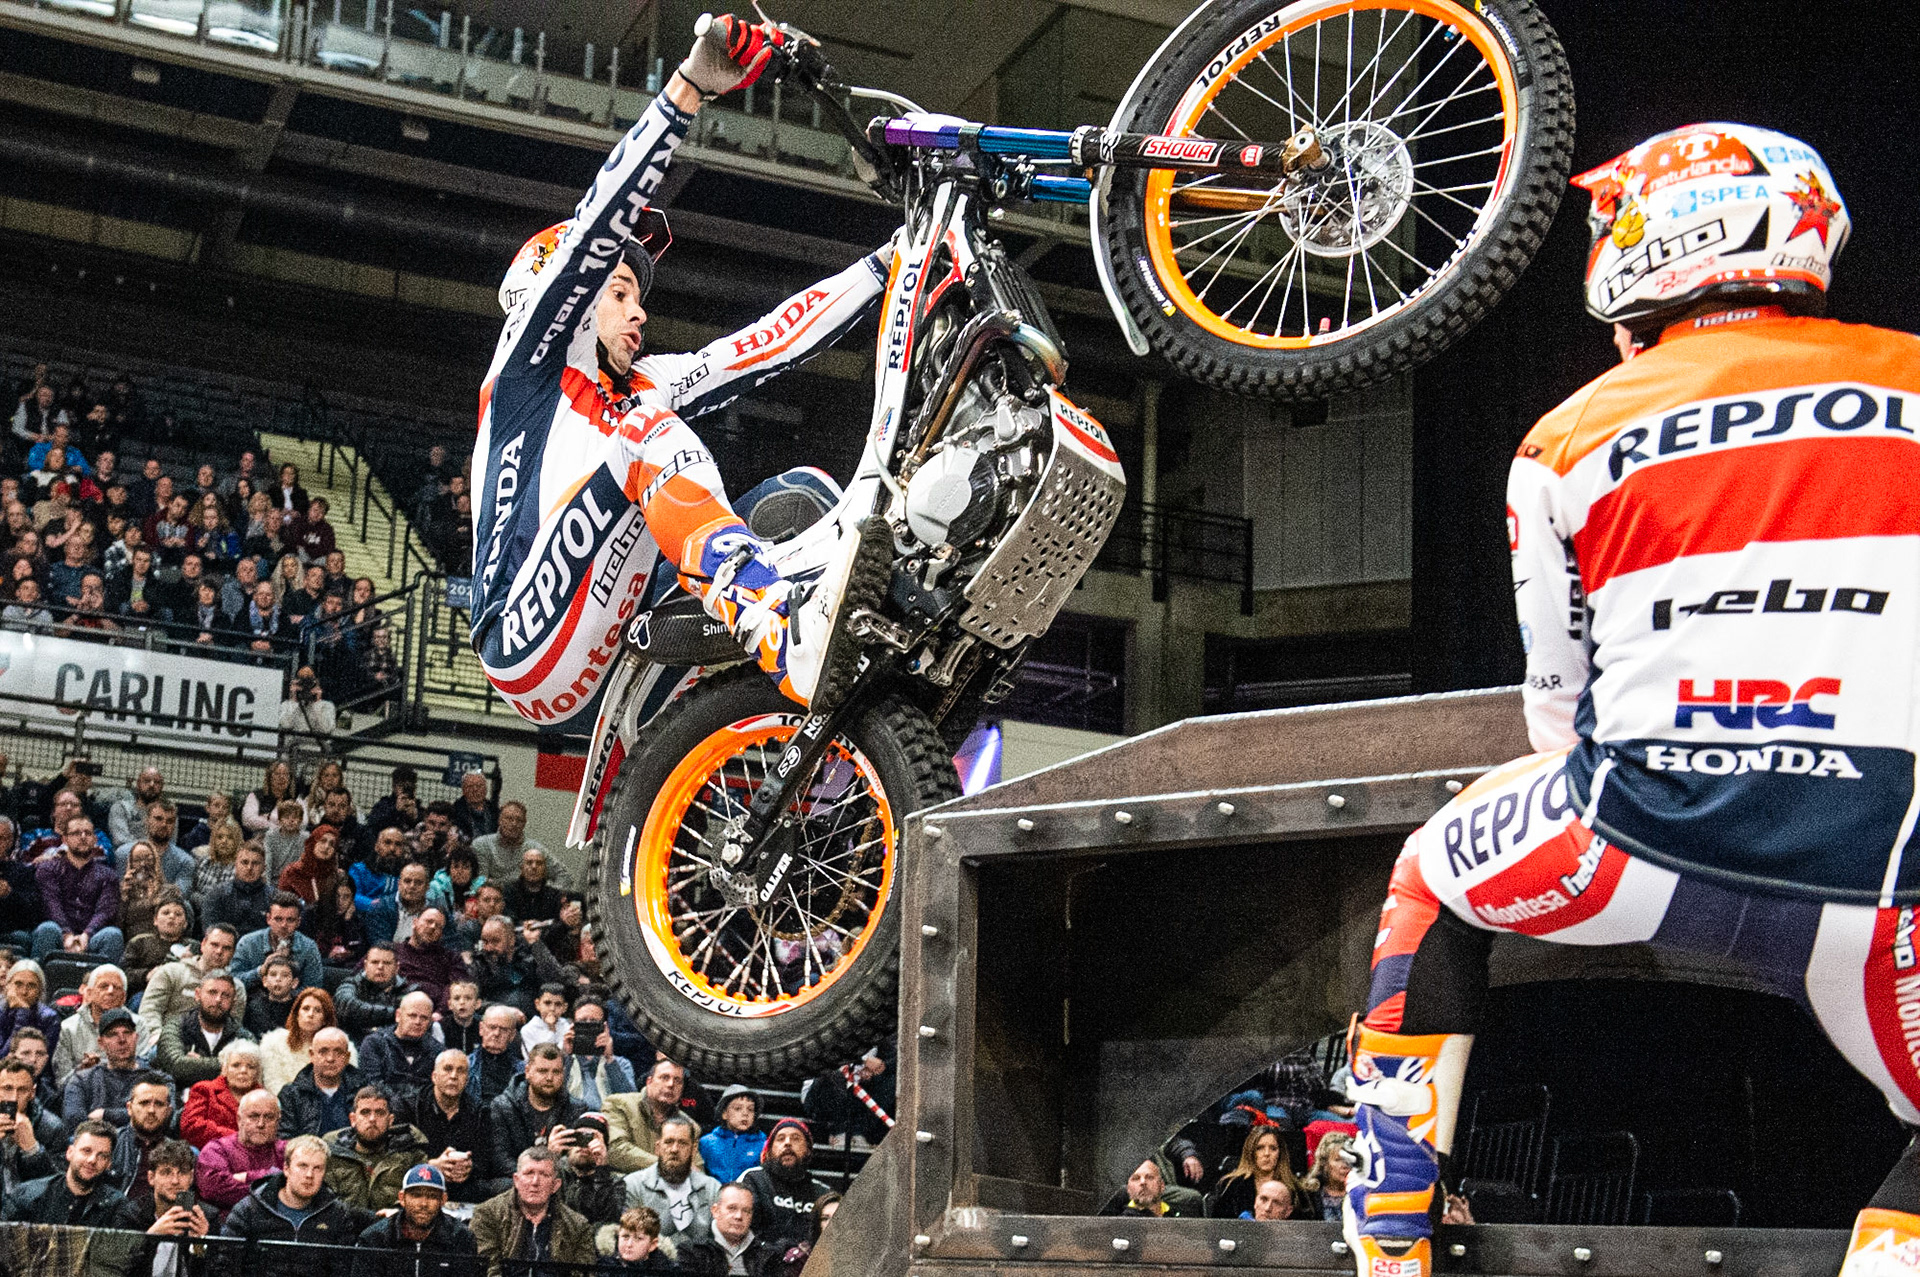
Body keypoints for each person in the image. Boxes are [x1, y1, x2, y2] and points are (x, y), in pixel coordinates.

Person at [1342, 123, 1920, 1277]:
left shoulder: (1566, 434)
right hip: (1884, 867)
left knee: (1430, 873)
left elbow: (1555, 708)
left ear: (1664, 236)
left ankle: (1387, 1238)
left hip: (1636, 837)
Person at [471, 14, 891, 723]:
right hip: (521, 638)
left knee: (805, 502)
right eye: (621, 292)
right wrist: (688, 90)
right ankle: (777, 628)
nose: (639, 313)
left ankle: (817, 746)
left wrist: (894, 260)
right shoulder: (527, 367)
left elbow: (768, 343)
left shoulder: (642, 384)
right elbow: (597, 226)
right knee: (646, 434)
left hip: (616, 641)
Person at [221, 1132, 373, 1255]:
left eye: (317, 1168)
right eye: (302, 1166)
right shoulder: (249, 1210)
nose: (309, 1175)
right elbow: (226, 1263)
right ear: (286, 1169)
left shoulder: (337, 1215)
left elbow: (342, 1268)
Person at [471, 1145, 597, 1275]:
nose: (535, 1182)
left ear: (555, 1185)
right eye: (529, 1173)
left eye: (544, 1175)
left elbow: (583, 1273)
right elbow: (487, 1270)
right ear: (516, 1180)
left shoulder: (578, 1226)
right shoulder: (487, 1214)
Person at [482, 1043, 584, 1194]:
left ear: (563, 1074)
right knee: (503, 1185)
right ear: (528, 1071)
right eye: (543, 1071)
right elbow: (500, 1161)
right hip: (516, 1181)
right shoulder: (502, 1106)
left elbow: (575, 1163)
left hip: (557, 1182)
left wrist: (552, 1165)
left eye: (556, 1072)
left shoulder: (576, 1109)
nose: (550, 1078)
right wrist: (547, 1158)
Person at [350, 1162, 481, 1276]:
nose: (423, 1204)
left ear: (443, 1200)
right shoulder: (375, 1238)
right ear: (401, 1198)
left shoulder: (461, 1238)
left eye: (432, 1196)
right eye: (416, 1195)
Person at [136, 923, 247, 1056]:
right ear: (203, 944)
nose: (219, 952)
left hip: (212, 1047)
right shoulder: (172, 972)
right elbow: (150, 1008)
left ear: (233, 953)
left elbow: (233, 1025)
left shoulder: (236, 987)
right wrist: (157, 1035)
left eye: (226, 948)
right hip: (170, 1040)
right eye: (214, 945)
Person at [0, 1119, 131, 1226]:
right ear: (70, 1153)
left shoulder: (117, 1207)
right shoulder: (28, 1196)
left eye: (102, 1156)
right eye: (86, 1151)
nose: (92, 1160)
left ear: (109, 1164)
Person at [31, 814, 124, 961]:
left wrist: (87, 934)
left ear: (95, 839)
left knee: (113, 935)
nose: (83, 837)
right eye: (76, 833)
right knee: (47, 929)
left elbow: (105, 911)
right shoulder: (48, 869)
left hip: (91, 937)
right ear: (65, 839)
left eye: (88, 833)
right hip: (58, 934)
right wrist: (67, 934)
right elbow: (51, 904)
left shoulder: (108, 875)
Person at [324, 1084, 430, 1211]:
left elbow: (419, 1200)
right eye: (365, 1112)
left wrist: (398, 1213)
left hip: (393, 1226)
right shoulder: (332, 1154)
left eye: (379, 1113)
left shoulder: (411, 1154)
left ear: (390, 1120)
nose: (372, 1119)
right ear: (353, 1119)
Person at [623, 1112, 718, 1248]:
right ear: (658, 1147)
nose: (674, 1149)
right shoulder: (633, 1185)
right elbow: (629, 1241)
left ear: (694, 1149)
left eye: (682, 1143)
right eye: (668, 1142)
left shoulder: (712, 1188)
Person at [402, 1049, 485, 1204]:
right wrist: (431, 1165)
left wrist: (469, 1167)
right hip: (421, 1182)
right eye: (448, 1069)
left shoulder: (479, 1111)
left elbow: (487, 1160)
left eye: (460, 1071)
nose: (453, 1076)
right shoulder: (410, 1107)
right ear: (434, 1076)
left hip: (464, 1186)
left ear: (467, 1079)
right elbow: (396, 1158)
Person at [736, 1118, 827, 1252]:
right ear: (769, 1150)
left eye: (796, 1138)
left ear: (808, 1150)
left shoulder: (822, 1193)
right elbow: (741, 1230)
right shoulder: (753, 1180)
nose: (788, 1143)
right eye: (780, 1139)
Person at [155, 970, 252, 1088]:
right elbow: (177, 1065)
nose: (218, 1000)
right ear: (197, 994)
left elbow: (252, 1068)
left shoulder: (242, 1036)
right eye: (212, 992)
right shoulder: (176, 1025)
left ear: (233, 1001)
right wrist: (231, 1066)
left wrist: (198, 1063)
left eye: (225, 995)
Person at [607, 1058, 703, 1175]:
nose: (671, 1084)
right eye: (664, 1078)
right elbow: (616, 1151)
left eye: (678, 1081)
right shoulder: (619, 1104)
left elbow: (697, 1170)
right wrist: (668, 1165)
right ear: (649, 1082)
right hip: (625, 1184)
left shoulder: (690, 1126)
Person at [131, 1137, 211, 1275]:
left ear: (191, 1177)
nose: (175, 1181)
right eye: (166, 1172)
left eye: (183, 1172)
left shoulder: (206, 1217)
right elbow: (123, 1269)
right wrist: (150, 1238)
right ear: (151, 1178)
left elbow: (211, 1272)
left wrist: (199, 1245)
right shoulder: (132, 1214)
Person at [197, 1087, 285, 1209]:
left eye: (269, 1117)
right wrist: (271, 1176)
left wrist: (246, 1177)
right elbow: (213, 1190)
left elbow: (297, 1189)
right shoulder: (217, 1150)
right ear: (239, 1119)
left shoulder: (287, 1151)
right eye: (253, 1116)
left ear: (278, 1121)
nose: (261, 1124)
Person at [62, 1006, 148, 1129]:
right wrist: (133, 1115)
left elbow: (164, 1117)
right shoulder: (82, 1080)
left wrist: (106, 1114)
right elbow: (73, 1122)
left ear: (136, 1038)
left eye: (127, 1033)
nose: (122, 1040)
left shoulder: (155, 1080)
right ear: (101, 1043)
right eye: (113, 1034)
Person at [278, 1025, 365, 1140]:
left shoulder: (363, 1091)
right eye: (323, 1052)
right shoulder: (292, 1094)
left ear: (347, 1057)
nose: (330, 1059)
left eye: (338, 1052)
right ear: (312, 1055)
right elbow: (284, 1138)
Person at [675, 1182, 778, 1277]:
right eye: (732, 1208)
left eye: (746, 1211)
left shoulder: (768, 1255)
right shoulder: (691, 1252)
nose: (738, 1216)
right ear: (715, 1211)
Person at [1208, 1126, 1310, 1220]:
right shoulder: (1231, 1185)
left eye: (1273, 1148)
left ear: (1280, 1153)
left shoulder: (1294, 1189)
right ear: (1251, 1152)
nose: (1267, 1154)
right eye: (1260, 1148)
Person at [50, 962, 128, 1086]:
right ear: (89, 993)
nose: (110, 991)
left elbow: (141, 1074)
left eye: (116, 987)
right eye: (104, 986)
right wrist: (82, 1070)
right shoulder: (68, 1028)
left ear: (124, 997)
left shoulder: (138, 1026)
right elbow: (61, 1082)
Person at [262, 986, 349, 1094]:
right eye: (306, 1008)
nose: (310, 1014)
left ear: (325, 1019)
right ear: (297, 1014)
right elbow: (273, 1084)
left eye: (318, 1010)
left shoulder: (342, 1045)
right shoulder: (273, 1043)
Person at [361, 991, 442, 1106]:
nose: (418, 1022)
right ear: (398, 1015)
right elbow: (374, 1087)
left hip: (424, 1116)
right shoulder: (374, 1044)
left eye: (424, 1018)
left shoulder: (437, 1051)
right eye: (412, 1016)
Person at [0, 1053, 62, 1199]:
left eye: (22, 1090)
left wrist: (33, 1151)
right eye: (7, 1088)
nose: (14, 1098)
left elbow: (60, 1189)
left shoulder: (52, 1128)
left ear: (32, 1093)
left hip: (31, 1209)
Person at [181, 1040, 263, 1147]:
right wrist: (238, 1138)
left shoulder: (264, 1098)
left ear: (257, 1073)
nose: (243, 1070)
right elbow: (191, 1127)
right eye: (236, 1065)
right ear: (224, 1068)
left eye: (251, 1067)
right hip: (211, 1152)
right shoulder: (204, 1089)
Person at [234, 892, 325, 988]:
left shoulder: (309, 947)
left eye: (290, 920)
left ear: (298, 922)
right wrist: (261, 971)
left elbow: (314, 987)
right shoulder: (248, 943)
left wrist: (286, 996)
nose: (284, 925)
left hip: (293, 1001)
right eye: (278, 919)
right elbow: (233, 981)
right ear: (269, 919)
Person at [561, 997, 635, 1109]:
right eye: (582, 1022)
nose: (588, 1026)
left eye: (594, 1022)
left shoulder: (622, 1064)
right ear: (573, 1025)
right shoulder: (563, 1063)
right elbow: (556, 1096)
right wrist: (568, 1056)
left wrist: (609, 1059)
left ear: (605, 1026)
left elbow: (630, 1100)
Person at [111, 1071, 176, 1195]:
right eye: (144, 1103)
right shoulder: (110, 1144)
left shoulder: (180, 1154)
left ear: (168, 1111)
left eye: (159, 1104)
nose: (151, 1110)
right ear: (129, 1108)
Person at [396, 907, 469, 1010]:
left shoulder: (451, 958)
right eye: (429, 921)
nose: (432, 927)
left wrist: (439, 1012)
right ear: (415, 922)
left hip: (437, 1013)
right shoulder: (392, 951)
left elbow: (458, 987)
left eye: (438, 926)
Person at [337, 944, 413, 1039]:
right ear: (365, 965)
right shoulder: (350, 984)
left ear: (397, 968)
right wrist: (395, 1013)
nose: (380, 967)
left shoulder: (409, 992)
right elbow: (347, 1006)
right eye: (375, 962)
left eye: (387, 963)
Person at [204, 842, 274, 940]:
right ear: (235, 864)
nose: (249, 868)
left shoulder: (273, 898)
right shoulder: (216, 894)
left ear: (264, 868)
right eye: (244, 862)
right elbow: (210, 932)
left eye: (255, 863)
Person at [469, 802, 544, 890]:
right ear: (500, 820)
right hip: (490, 899)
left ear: (524, 824)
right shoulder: (481, 845)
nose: (514, 824)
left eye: (519, 820)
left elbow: (559, 874)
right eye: (509, 818)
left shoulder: (534, 849)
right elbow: (480, 883)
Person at [700, 1085, 764, 1187]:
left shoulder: (763, 1145)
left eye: (750, 1109)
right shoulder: (706, 1143)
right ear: (724, 1113)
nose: (745, 1114)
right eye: (738, 1108)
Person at [122, 897, 190, 991]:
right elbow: (122, 973)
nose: (171, 917)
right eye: (166, 913)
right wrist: (147, 974)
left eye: (178, 914)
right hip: (145, 991)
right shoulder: (139, 942)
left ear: (185, 923)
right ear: (155, 920)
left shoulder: (193, 946)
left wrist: (191, 964)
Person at [467, 1004, 525, 1107]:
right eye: (492, 1027)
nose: (496, 1033)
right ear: (481, 1029)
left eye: (503, 1029)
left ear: (512, 1035)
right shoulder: (466, 1065)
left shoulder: (523, 1072)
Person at [0, 959, 59, 1060]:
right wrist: (23, 1013)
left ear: (40, 990)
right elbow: (3, 1059)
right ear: (8, 986)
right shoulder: (1, 1011)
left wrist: (23, 1013)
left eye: (31, 986)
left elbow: (42, 1061)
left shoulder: (49, 1018)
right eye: (18, 984)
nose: (24, 992)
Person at [1114, 1158, 1199, 1218]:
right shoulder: (1121, 1225)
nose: (1143, 1182)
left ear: (1162, 1185)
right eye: (1136, 1178)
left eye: (1149, 1177)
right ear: (1128, 1189)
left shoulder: (1178, 1217)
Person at [502, 849, 565, 927]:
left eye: (539, 863)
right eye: (529, 863)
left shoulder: (555, 895)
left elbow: (558, 923)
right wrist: (525, 925)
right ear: (521, 868)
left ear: (545, 869)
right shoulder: (508, 892)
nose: (534, 867)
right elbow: (507, 920)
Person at [244, 953, 302, 1038]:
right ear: (265, 981)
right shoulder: (254, 1007)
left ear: (294, 983)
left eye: (285, 975)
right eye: (273, 974)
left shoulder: (299, 1007)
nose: (278, 979)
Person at [603, 1205, 675, 1273]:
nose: (629, 1244)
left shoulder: (667, 1271)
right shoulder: (604, 1267)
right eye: (625, 1236)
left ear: (652, 1245)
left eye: (638, 1238)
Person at [107, 766, 166, 847]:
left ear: (162, 787)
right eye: (147, 781)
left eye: (157, 782)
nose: (152, 785)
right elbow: (120, 840)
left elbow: (169, 845)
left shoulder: (168, 814)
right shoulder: (121, 808)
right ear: (138, 784)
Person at [1303, 1132, 1352, 1221]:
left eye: (1348, 1160)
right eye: (1338, 1160)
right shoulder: (1309, 1195)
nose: (1345, 1166)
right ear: (1324, 1164)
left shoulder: (1361, 1193)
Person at [450, 773, 498, 843]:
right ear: (463, 790)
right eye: (470, 786)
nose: (475, 789)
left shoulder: (495, 811)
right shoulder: (454, 811)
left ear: (485, 789)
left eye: (479, 786)